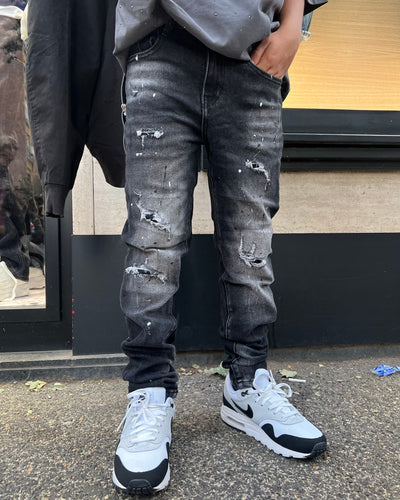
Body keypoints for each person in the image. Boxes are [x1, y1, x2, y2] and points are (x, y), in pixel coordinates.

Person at [113, 0, 328, 494]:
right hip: (159, 47)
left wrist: (291, 30)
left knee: (251, 242)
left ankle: (247, 384)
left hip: (254, 58)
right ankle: (149, 390)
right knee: (153, 240)